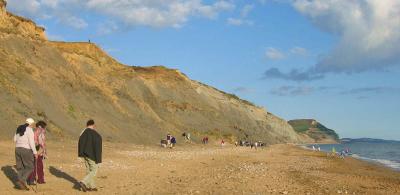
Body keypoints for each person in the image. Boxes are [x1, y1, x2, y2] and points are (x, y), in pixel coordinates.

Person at [78, 120, 102, 192]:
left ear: (87, 125)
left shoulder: (83, 132)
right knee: (94, 170)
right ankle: (84, 182)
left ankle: (91, 186)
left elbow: (80, 143)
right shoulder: (95, 134)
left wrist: (80, 154)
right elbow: (98, 147)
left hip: (84, 154)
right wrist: (99, 160)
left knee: (88, 170)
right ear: (93, 125)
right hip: (91, 155)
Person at [14, 118, 38, 191]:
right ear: (31, 124)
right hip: (26, 150)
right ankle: (22, 180)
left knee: (20, 167)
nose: (34, 125)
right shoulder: (29, 130)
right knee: (30, 167)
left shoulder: (19, 127)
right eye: (33, 124)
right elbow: (31, 142)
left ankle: (22, 184)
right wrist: (35, 152)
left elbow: (14, 139)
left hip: (17, 149)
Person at [27, 121, 47, 185]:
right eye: (44, 127)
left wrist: (44, 152)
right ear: (40, 127)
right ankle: (31, 180)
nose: (45, 129)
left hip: (40, 152)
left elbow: (43, 143)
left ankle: (40, 179)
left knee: (40, 166)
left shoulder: (41, 133)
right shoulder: (36, 133)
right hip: (36, 152)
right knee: (34, 166)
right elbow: (35, 143)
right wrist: (37, 151)